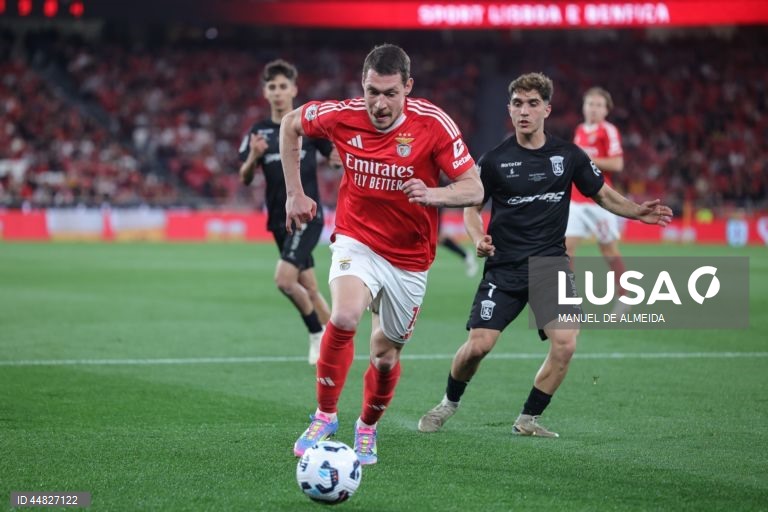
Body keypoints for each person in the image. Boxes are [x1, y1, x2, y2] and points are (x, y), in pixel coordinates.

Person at [417, 73, 672, 438]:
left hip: (550, 266)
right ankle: (448, 403)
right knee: (478, 347)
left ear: (546, 109)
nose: (524, 111)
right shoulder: (495, 160)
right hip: (504, 268)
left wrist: (636, 211)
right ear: (509, 109)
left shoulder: (568, 156)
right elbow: (472, 208)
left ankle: (528, 418)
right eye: (518, 104)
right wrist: (477, 237)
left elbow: (602, 193)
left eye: (532, 104)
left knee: (566, 342)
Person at [280, 44, 483, 464]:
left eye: (390, 93)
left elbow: (474, 187)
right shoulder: (342, 114)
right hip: (357, 237)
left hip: (409, 257)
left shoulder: (434, 124)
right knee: (345, 315)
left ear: (408, 87)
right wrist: (295, 193)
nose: (380, 103)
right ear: (363, 84)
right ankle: (325, 414)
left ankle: (367, 427)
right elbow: (289, 124)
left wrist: (434, 194)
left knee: (385, 356)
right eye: (373, 91)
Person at [238, 59, 333, 365]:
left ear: (293, 89)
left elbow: (335, 155)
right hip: (280, 222)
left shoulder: (305, 124)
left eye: (283, 86)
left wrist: (341, 159)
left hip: (308, 217)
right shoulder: (259, 132)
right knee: (309, 287)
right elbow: (245, 177)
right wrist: (253, 156)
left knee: (284, 280)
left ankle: (316, 334)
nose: (277, 92)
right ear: (265, 93)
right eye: (272, 87)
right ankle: (338, 343)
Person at [565, 87, 629, 314]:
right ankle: (569, 299)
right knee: (566, 250)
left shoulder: (608, 131)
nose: (593, 108)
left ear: (606, 110)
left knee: (609, 250)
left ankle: (625, 295)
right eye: (590, 104)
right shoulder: (580, 130)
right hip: (575, 200)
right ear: (583, 107)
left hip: (600, 201)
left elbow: (617, 164)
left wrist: (586, 157)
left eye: (598, 105)